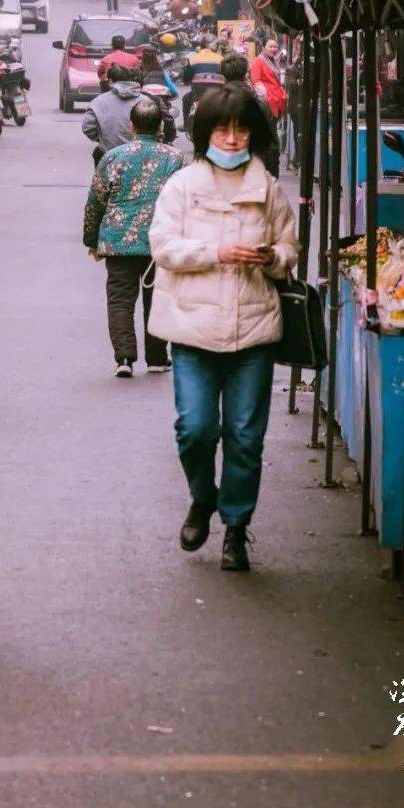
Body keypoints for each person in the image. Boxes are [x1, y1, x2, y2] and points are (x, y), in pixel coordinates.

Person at [148, 85, 299, 573]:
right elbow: (163, 246)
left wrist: (271, 257)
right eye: (222, 129)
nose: (232, 139)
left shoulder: (268, 189)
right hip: (192, 330)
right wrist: (216, 252)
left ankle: (236, 526)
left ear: (252, 135)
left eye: (240, 130)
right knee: (194, 429)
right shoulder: (181, 186)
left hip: (253, 331)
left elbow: (289, 249)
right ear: (205, 134)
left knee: (245, 437)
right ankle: (202, 497)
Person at [83, 97, 183, 378]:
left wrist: (91, 240)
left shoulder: (112, 157)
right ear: (160, 126)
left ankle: (124, 358)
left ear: (132, 126)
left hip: (118, 241)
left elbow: (95, 202)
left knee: (120, 299)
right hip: (159, 241)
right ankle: (157, 357)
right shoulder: (174, 158)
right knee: (157, 299)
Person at [220, 53, 280, 178]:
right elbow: (271, 144)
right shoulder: (260, 104)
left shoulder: (212, 103)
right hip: (254, 171)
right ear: (246, 76)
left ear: (223, 77)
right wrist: (271, 177)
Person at [81, 64, 146, 160]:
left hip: (108, 154)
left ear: (111, 81)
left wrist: (104, 139)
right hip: (141, 155)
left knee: (97, 154)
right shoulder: (146, 101)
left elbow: (88, 127)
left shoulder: (98, 102)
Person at [179, 37, 225, 134]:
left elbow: (186, 80)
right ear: (210, 45)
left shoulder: (192, 59)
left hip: (198, 95)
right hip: (217, 95)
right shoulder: (221, 59)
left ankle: (186, 125)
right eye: (216, 44)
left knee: (186, 99)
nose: (217, 46)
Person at [250, 37, 287, 120]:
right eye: (271, 47)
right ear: (263, 48)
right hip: (268, 101)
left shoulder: (273, 61)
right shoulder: (258, 61)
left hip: (277, 99)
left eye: (275, 47)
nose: (274, 49)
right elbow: (256, 81)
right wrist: (265, 98)